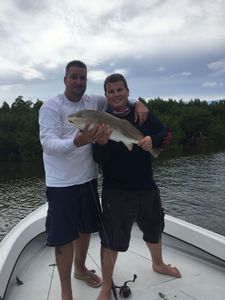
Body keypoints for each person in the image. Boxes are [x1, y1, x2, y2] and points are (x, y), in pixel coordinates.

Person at [39, 60, 149, 300]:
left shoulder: (94, 101)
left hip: (88, 179)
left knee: (85, 229)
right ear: (65, 79)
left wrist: (138, 102)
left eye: (82, 77)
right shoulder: (51, 106)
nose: (79, 82)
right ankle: (66, 292)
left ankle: (80, 269)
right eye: (74, 77)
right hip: (61, 183)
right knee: (64, 237)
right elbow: (47, 144)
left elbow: (118, 100)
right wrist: (75, 142)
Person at [92, 73, 181, 300]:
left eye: (120, 90)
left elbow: (167, 134)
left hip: (147, 185)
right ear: (106, 95)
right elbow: (99, 159)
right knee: (112, 238)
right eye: (111, 91)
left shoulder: (143, 114)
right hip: (117, 190)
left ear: (128, 92)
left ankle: (158, 264)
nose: (116, 94)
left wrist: (154, 141)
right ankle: (105, 287)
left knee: (154, 227)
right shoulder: (103, 120)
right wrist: (101, 144)